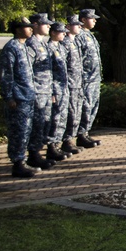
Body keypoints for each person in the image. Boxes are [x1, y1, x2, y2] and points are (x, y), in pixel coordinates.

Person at [0, 18, 40, 178]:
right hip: (18, 98)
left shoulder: (24, 47)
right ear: (17, 30)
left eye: (31, 27)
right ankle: (17, 164)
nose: (30, 29)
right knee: (18, 131)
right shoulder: (11, 48)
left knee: (26, 131)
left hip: (27, 97)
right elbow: (6, 75)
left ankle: (22, 161)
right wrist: (8, 97)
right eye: (27, 27)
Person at [26, 13, 57, 170]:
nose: (49, 26)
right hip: (37, 92)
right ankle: (34, 155)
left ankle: (40, 152)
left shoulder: (42, 43)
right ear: (36, 24)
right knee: (37, 125)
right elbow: (28, 71)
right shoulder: (31, 44)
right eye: (45, 24)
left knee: (44, 123)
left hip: (45, 91)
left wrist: (51, 91)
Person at [75, 8, 102, 148]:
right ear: (84, 20)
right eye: (92, 18)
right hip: (86, 79)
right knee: (85, 107)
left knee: (92, 106)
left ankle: (85, 133)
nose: (95, 20)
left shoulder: (89, 35)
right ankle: (81, 134)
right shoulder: (79, 36)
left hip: (94, 79)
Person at [45, 21, 73, 162]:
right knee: (55, 119)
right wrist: (52, 92)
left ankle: (58, 144)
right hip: (55, 89)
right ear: (53, 33)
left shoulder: (60, 47)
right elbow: (49, 73)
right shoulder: (49, 48)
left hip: (63, 88)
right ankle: (51, 147)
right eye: (62, 32)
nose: (64, 34)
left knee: (62, 117)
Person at [60, 15, 85, 155]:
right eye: (76, 24)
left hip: (77, 84)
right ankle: (66, 142)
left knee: (75, 113)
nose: (79, 26)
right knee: (69, 114)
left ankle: (71, 139)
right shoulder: (64, 44)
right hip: (69, 85)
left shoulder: (74, 42)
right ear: (68, 26)